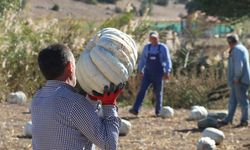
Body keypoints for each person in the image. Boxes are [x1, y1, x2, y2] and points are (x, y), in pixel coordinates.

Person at [31, 44, 123, 150]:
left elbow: (75, 125)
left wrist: (92, 100)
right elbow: (109, 145)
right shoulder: (74, 102)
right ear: (70, 67)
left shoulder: (37, 99)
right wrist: (109, 104)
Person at [129, 31, 172, 116]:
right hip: (148, 73)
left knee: (158, 92)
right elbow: (142, 60)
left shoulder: (163, 48)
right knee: (142, 90)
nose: (153, 39)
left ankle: (158, 111)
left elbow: (167, 60)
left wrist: (167, 71)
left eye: (155, 38)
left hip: (159, 73)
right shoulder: (146, 48)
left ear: (158, 38)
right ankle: (135, 109)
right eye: (152, 38)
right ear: (149, 39)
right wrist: (140, 70)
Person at [219, 34, 250, 127]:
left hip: (239, 80)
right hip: (237, 80)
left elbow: (238, 66)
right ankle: (229, 119)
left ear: (230, 42)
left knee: (243, 101)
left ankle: (245, 120)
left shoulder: (237, 50)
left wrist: (236, 78)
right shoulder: (241, 48)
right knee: (233, 100)